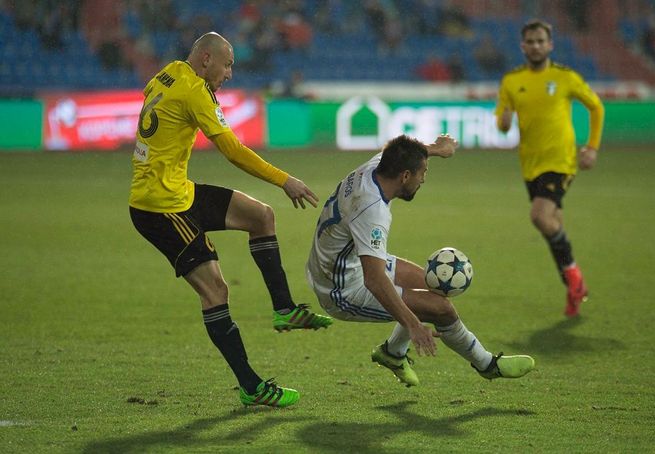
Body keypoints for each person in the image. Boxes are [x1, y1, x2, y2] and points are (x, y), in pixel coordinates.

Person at [128, 32, 333, 408]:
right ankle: (252, 386)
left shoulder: (171, 71)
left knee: (261, 216)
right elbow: (233, 152)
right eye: (228, 64)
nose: (230, 73)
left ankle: (284, 309)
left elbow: (151, 100)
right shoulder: (195, 91)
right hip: (160, 208)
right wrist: (284, 180)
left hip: (179, 191)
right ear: (206, 59)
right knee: (216, 292)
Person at [305, 134, 535, 387]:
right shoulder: (371, 211)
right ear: (405, 176)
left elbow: (396, 150)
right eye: (422, 172)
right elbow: (374, 280)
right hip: (341, 289)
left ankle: (392, 353)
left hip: (345, 264)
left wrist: (436, 149)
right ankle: (488, 365)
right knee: (441, 309)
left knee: (431, 289)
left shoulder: (377, 167)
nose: (424, 178)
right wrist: (412, 323)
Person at [495, 20, 605, 317]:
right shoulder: (510, 81)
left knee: (540, 217)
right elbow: (502, 123)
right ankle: (573, 289)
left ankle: (574, 278)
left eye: (541, 41)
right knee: (552, 226)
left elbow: (596, 106)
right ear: (523, 46)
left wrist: (592, 147)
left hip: (561, 160)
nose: (535, 46)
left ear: (550, 44)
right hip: (530, 164)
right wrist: (504, 120)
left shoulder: (565, 77)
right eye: (530, 41)